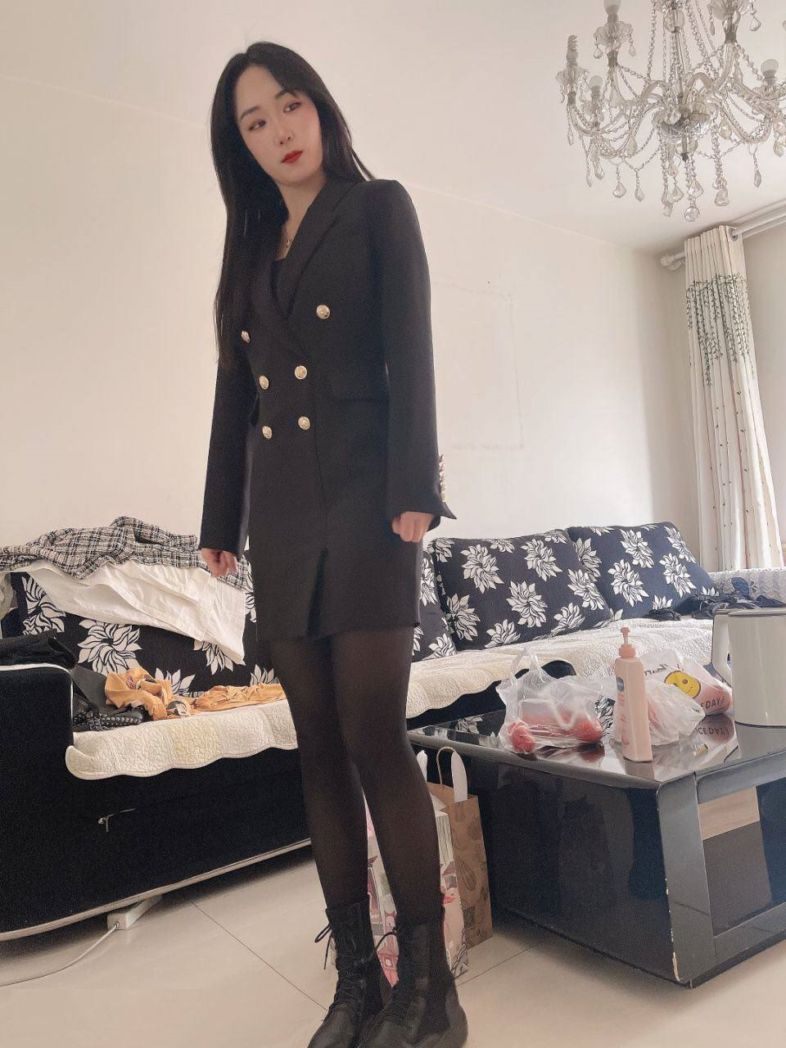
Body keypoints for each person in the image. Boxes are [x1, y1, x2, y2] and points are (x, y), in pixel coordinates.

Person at [197, 42, 466, 1048]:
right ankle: (359, 983)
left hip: (368, 504)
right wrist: (219, 520)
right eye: (254, 122)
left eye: (288, 105)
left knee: (372, 734)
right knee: (313, 746)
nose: (278, 132)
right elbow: (235, 391)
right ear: (240, 145)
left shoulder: (377, 207)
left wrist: (415, 488)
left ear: (319, 105)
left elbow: (412, 347)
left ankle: (432, 990)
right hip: (283, 514)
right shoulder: (248, 250)